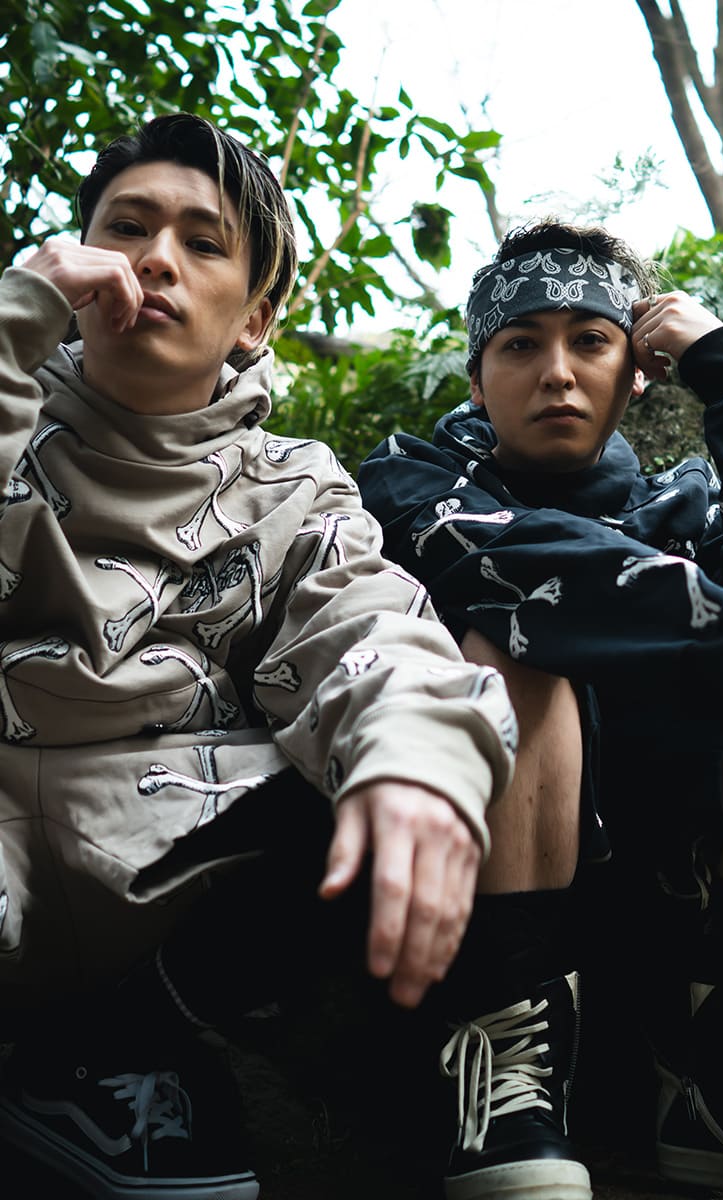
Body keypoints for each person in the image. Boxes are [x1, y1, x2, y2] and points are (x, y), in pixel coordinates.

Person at [0, 113, 516, 1200]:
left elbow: (366, 623)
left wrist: (417, 763)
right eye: (125, 228)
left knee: (384, 769)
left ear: (255, 319)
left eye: (203, 243)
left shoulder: (292, 484)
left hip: (166, 868)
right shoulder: (15, 405)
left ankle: (116, 1053)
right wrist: (13, 323)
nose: (155, 259)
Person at [359, 218, 723, 1200]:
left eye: (590, 341)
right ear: (477, 382)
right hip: (487, 920)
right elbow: (524, 563)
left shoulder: (686, 508)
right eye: (520, 344)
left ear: (636, 372)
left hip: (685, 906)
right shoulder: (408, 483)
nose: (556, 373)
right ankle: (503, 1059)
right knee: (513, 648)